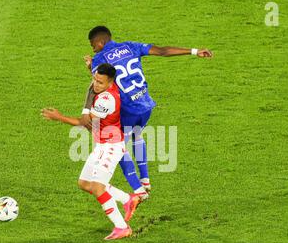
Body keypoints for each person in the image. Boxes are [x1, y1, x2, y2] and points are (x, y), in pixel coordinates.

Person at [82, 26, 213, 200]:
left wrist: (91, 67)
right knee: (137, 135)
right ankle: (145, 179)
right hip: (145, 105)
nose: (93, 49)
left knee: (117, 147)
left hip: (128, 110)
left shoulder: (99, 58)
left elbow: (97, 85)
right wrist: (194, 51)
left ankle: (138, 191)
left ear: (100, 42)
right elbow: (162, 51)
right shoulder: (130, 46)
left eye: (93, 45)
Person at [41, 63, 140, 240]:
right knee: (85, 183)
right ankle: (128, 199)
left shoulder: (106, 100)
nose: (95, 84)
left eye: (100, 82)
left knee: (97, 188)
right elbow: (99, 82)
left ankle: (122, 227)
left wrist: (59, 117)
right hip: (101, 145)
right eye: (95, 79)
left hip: (110, 147)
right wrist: (90, 69)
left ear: (110, 83)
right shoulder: (111, 83)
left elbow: (85, 123)